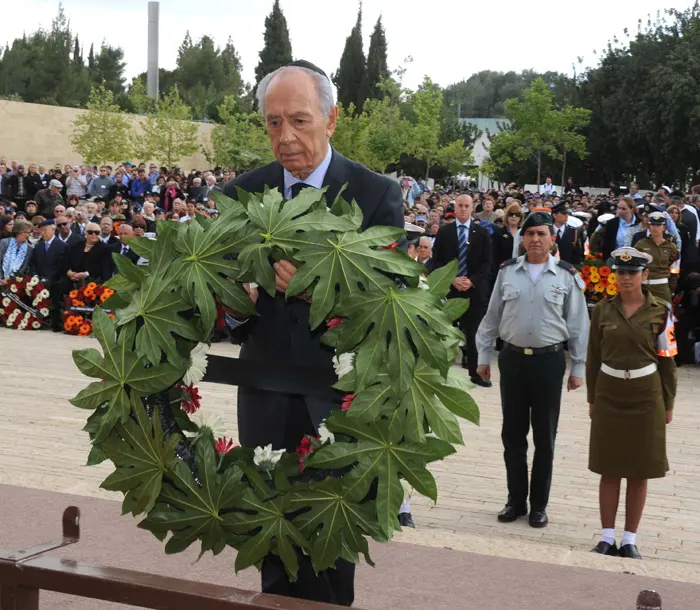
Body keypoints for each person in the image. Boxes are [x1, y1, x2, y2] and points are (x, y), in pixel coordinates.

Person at [221, 60, 403, 606]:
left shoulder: (375, 194)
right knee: (270, 533)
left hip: (339, 397)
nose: (286, 137)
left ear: (332, 119)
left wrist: (318, 289)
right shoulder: (242, 194)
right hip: (265, 393)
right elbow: (220, 306)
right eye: (273, 123)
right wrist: (231, 304)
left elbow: (391, 305)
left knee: (330, 542)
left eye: (299, 120)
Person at [475, 210, 589, 528]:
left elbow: (579, 324)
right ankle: (515, 500)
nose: (536, 239)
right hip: (512, 361)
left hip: (549, 362)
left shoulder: (566, 275)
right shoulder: (507, 272)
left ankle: (539, 504)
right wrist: (483, 357)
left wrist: (578, 367)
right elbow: (492, 317)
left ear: (553, 239)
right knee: (512, 435)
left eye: (542, 234)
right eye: (530, 234)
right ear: (522, 239)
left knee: (544, 437)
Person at [587, 247, 677, 559]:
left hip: (646, 396)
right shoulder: (602, 310)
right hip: (609, 394)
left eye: (632, 273)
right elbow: (593, 358)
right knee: (608, 467)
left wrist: (668, 403)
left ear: (644, 275)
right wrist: (592, 398)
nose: (625, 278)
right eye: (621, 272)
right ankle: (607, 536)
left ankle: (629, 539)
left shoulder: (661, 312)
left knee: (640, 469)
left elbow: (668, 361)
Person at [431, 194, 493, 386]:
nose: (464, 209)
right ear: (455, 208)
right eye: (460, 206)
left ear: (472, 208)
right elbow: (436, 261)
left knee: (475, 334)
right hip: (450, 291)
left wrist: (472, 281)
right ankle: (438, 374)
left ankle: (477, 374)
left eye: (467, 206)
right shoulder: (444, 232)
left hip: (473, 292)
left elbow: (487, 263)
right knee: (443, 333)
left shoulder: (481, 233)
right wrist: (452, 279)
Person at [30, 219, 68, 331]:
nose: (43, 233)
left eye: (45, 230)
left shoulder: (62, 246)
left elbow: (61, 265)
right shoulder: (39, 246)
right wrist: (36, 276)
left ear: (53, 230)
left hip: (55, 280)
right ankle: (38, 321)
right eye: (41, 230)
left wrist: (49, 278)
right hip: (39, 279)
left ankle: (55, 323)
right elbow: (33, 263)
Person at [634, 212, 679, 305]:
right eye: (652, 224)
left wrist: (671, 288)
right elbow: (635, 266)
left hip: (662, 287)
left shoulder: (671, 247)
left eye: (659, 225)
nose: (655, 227)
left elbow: (675, 269)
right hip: (644, 287)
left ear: (664, 227)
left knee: (664, 316)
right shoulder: (641, 244)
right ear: (649, 226)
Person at [493, 203, 523, 267]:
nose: (514, 216)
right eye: (511, 214)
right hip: (502, 268)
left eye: (517, 215)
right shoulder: (498, 233)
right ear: (507, 216)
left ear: (520, 217)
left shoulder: (524, 233)